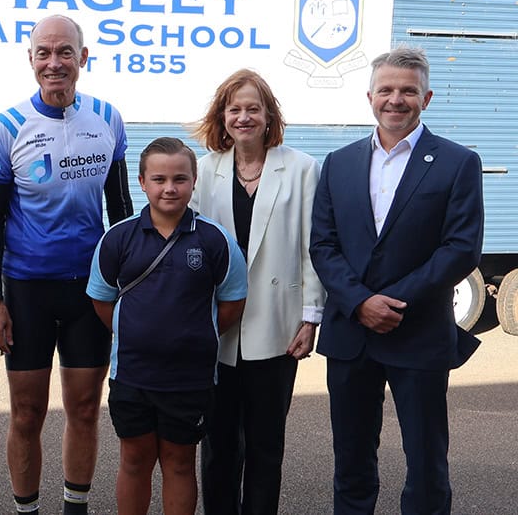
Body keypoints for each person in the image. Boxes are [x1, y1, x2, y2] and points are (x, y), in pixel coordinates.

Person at [309, 46, 483, 514]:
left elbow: (461, 248)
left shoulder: (458, 162)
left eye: (408, 90)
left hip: (419, 333)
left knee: (426, 463)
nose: (396, 99)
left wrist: (390, 302)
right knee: (351, 461)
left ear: (426, 98)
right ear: (369, 96)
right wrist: (360, 302)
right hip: (351, 335)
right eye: (386, 89)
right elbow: (323, 246)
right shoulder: (338, 163)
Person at [0, 14, 135, 515]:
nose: (54, 62)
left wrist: (127, 284)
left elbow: (121, 211)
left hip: (89, 291)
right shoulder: (6, 129)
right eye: (44, 53)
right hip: (27, 289)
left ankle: (75, 508)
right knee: (26, 413)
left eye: (65, 52)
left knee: (86, 409)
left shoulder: (108, 118)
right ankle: (27, 510)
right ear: (30, 60)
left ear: (83, 58)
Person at [87, 137, 247, 515]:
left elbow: (232, 301)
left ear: (194, 182)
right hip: (132, 375)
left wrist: (191, 336)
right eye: (159, 179)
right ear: (142, 183)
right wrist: (137, 334)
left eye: (180, 178)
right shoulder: (118, 239)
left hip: (189, 379)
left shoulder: (216, 240)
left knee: (179, 462)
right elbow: (100, 299)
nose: (170, 188)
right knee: (134, 459)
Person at [190, 69, 325, 515]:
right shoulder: (203, 171)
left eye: (253, 108)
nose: (243, 117)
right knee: (219, 444)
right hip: (218, 328)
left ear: (269, 116)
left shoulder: (303, 168)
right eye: (235, 109)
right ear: (222, 116)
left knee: (267, 446)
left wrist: (310, 318)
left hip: (278, 327)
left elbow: (313, 247)